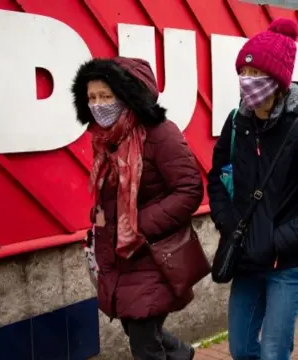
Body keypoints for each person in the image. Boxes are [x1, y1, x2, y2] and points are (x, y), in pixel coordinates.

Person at [207, 19, 298, 360]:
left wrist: (273, 242)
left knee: (273, 351)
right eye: (243, 72)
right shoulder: (238, 120)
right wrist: (226, 222)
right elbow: (217, 177)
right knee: (240, 349)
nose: (247, 82)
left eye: (256, 73)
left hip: (290, 265)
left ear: (278, 81)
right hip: (247, 262)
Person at [72, 57, 203, 360]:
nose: (98, 104)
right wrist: (101, 225)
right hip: (120, 257)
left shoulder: (161, 134)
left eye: (106, 96)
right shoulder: (107, 140)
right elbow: (110, 197)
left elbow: (189, 189)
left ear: (128, 95)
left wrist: (139, 224)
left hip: (154, 255)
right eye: (91, 98)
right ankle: (183, 354)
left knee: (143, 344)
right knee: (135, 326)